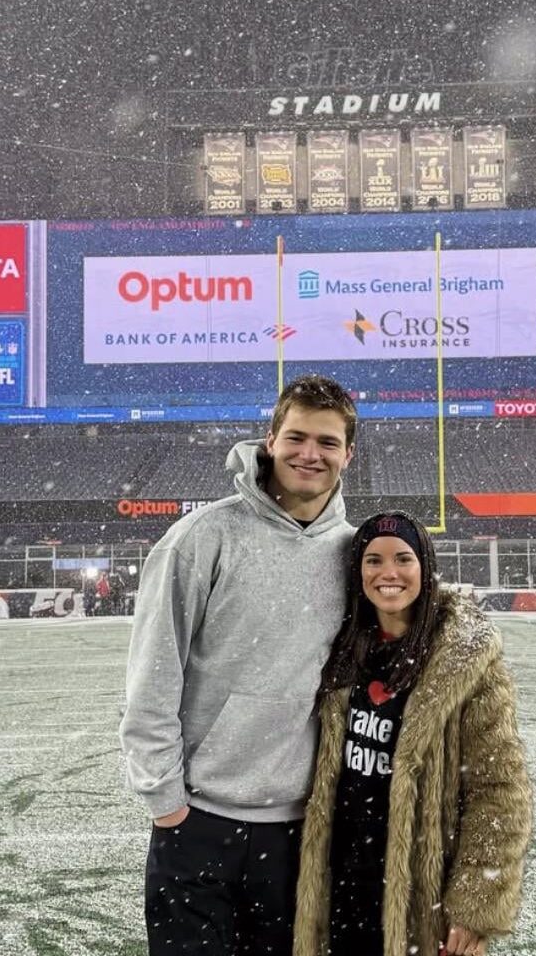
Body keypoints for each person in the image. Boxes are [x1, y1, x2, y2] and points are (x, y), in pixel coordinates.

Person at [120, 374, 358, 956]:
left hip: (300, 829)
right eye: (297, 437)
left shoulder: (355, 553)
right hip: (198, 818)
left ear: (349, 454)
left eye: (327, 442)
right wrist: (166, 801)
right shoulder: (202, 537)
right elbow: (153, 672)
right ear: (270, 440)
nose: (310, 454)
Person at [294, 511, 534, 956]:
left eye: (403, 558)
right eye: (373, 561)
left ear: (425, 567)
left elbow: (499, 790)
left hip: (422, 893)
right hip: (340, 879)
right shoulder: (340, 648)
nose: (388, 573)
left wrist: (475, 906)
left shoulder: (465, 662)